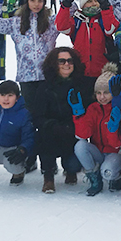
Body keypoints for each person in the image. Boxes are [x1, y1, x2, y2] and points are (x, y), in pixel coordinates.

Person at [0, 0, 59, 173]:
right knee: (29, 121)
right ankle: (29, 157)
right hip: (26, 79)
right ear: (26, 2)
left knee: (47, 120)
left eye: (40, 0)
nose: (36, 4)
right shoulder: (16, 22)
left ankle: (48, 161)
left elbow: (69, 20)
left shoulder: (50, 22)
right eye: (32, 0)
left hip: (47, 78)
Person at [34, 47, 94, 193]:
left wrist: (73, 125)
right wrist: (52, 126)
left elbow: (89, 114)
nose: (66, 64)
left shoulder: (83, 85)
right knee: (42, 136)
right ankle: (48, 176)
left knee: (73, 164)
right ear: (54, 64)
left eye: (70, 60)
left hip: (73, 131)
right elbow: (37, 116)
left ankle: (70, 170)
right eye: (62, 61)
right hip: (51, 132)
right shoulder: (44, 87)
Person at [71, 63, 121, 196]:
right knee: (80, 146)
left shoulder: (120, 110)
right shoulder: (93, 109)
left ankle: (116, 175)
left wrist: (113, 128)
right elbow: (83, 135)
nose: (102, 97)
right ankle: (95, 178)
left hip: (116, 153)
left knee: (107, 171)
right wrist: (78, 114)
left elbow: (116, 144)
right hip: (99, 152)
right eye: (98, 93)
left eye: (106, 93)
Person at [54, 0, 119, 79]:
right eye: (89, 1)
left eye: (96, 1)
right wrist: (66, 4)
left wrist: (106, 7)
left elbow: (111, 29)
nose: (94, 3)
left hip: (102, 73)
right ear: (83, 4)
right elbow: (61, 27)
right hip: (81, 72)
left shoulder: (102, 18)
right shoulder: (77, 21)